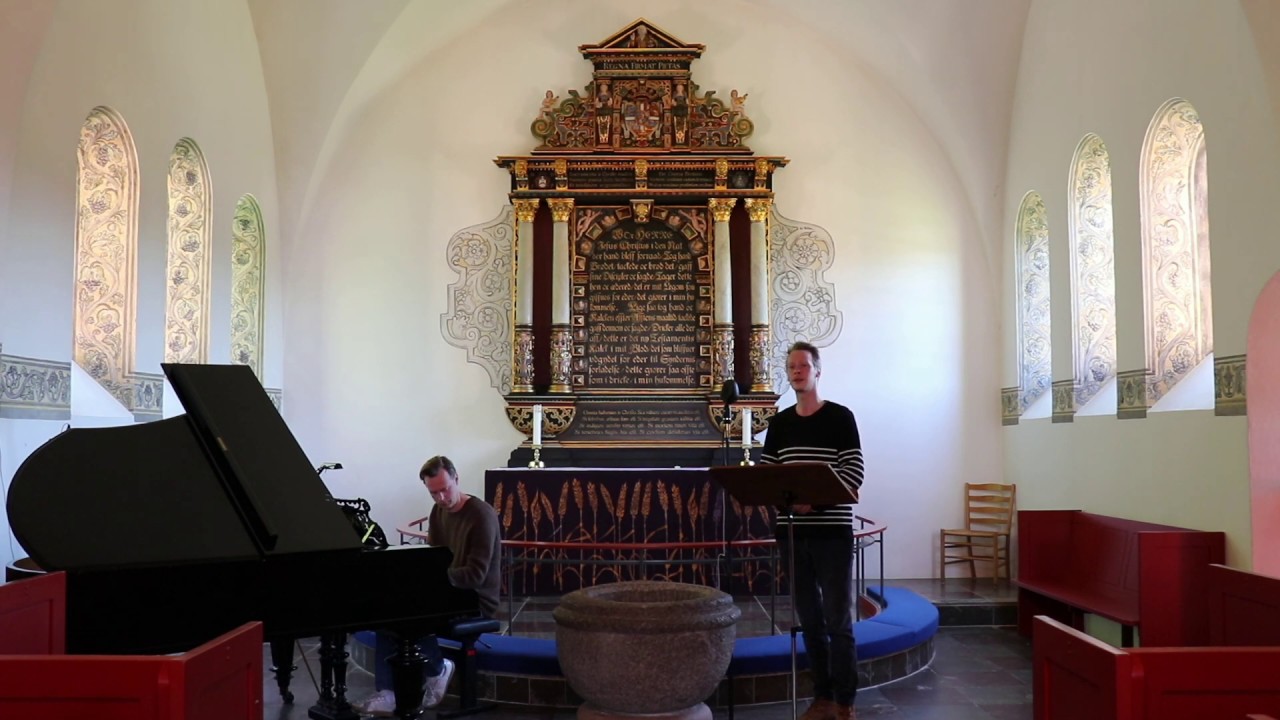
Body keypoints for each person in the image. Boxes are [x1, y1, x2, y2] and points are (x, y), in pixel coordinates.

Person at [761, 341, 865, 720]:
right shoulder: (780, 423)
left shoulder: (840, 418)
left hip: (831, 532)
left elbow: (853, 472)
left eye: (804, 365)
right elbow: (768, 474)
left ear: (817, 372)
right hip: (792, 534)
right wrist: (785, 500)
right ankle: (821, 696)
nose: (797, 371)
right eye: (791, 366)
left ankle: (845, 701)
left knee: (838, 619)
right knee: (809, 619)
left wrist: (815, 502)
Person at [356, 456, 502, 717]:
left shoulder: (481, 515)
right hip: (449, 592)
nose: (442, 498)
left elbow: (476, 575)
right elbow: (434, 559)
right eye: (434, 492)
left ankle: (437, 669)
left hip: (476, 600)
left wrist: (435, 580)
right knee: (387, 611)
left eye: (446, 488)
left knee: (413, 615)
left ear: (457, 479)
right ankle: (388, 692)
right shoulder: (438, 511)